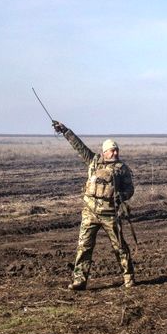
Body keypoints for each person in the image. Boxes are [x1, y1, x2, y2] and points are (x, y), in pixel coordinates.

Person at [52, 120, 135, 290]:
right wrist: (65, 131)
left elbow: (130, 189)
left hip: (110, 214)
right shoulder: (93, 161)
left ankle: (129, 278)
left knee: (119, 247)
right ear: (105, 152)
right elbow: (78, 146)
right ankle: (79, 281)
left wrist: (122, 196)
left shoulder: (122, 169)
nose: (116, 152)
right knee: (84, 248)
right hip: (89, 213)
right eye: (112, 150)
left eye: (117, 149)